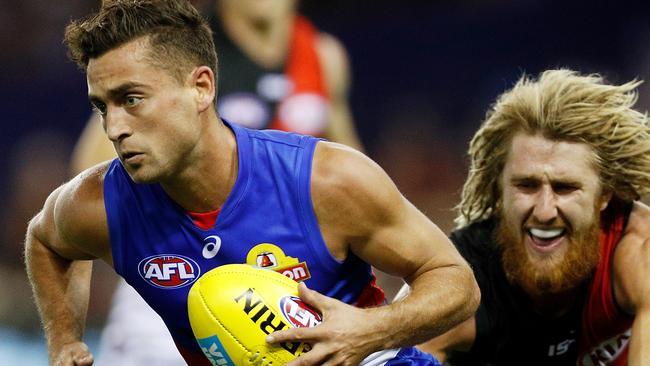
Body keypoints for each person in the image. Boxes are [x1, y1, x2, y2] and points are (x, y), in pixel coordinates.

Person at [24, 1, 480, 365]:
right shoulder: (101, 204)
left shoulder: (327, 178)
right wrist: (64, 342)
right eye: (103, 107)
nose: (114, 128)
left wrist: (371, 330)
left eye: (132, 99)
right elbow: (44, 240)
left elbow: (457, 283)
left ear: (202, 88)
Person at [67, 1, 369, 364]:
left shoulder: (322, 55)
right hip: (178, 269)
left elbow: (353, 167)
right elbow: (90, 173)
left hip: (286, 273)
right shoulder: (180, 54)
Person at [408, 69, 650, 365]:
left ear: (604, 196)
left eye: (565, 188)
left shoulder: (638, 250)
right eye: (526, 185)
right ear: (500, 190)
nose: (545, 211)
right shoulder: (455, 283)